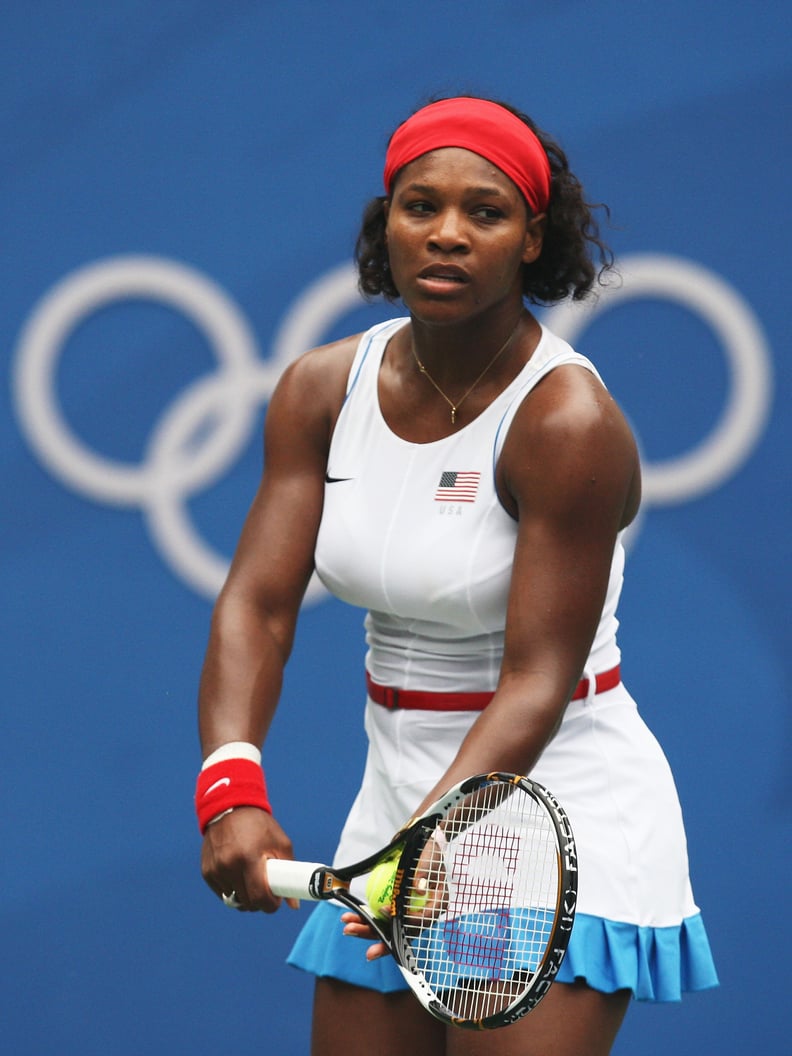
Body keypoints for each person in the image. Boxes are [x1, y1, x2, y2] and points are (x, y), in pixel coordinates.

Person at [195, 95, 718, 1055]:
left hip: (547, 805)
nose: (446, 235)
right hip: (398, 805)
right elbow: (259, 605)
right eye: (419, 206)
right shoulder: (320, 389)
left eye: (486, 212)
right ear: (384, 222)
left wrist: (420, 850)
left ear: (531, 241)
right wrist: (231, 784)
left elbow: (536, 680)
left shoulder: (566, 424)